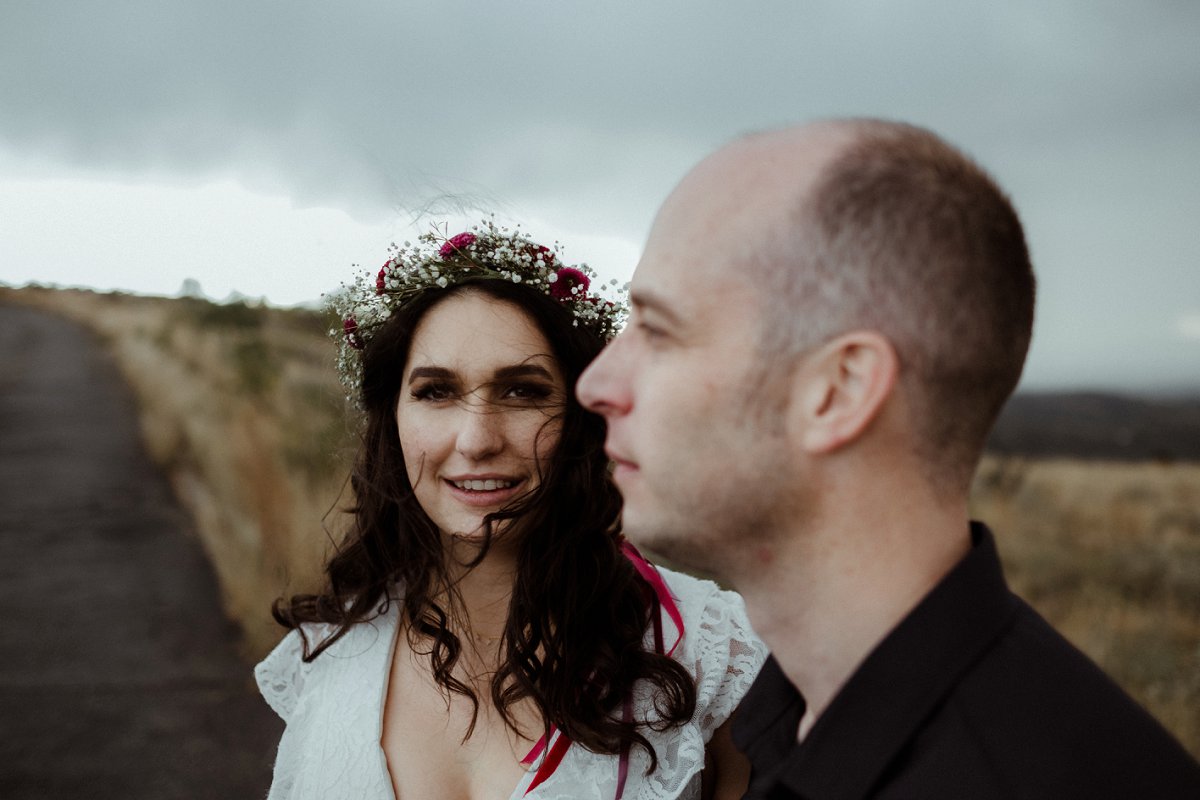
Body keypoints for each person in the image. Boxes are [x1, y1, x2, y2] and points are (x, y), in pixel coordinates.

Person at [577, 120, 1200, 798]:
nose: (595, 385)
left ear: (839, 391)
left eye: (658, 330)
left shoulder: (1021, 778)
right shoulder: (790, 713)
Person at [254, 218, 767, 800]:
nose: (477, 440)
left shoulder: (714, 654)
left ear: (580, 417)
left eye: (523, 391)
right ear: (392, 419)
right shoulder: (325, 650)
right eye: (436, 391)